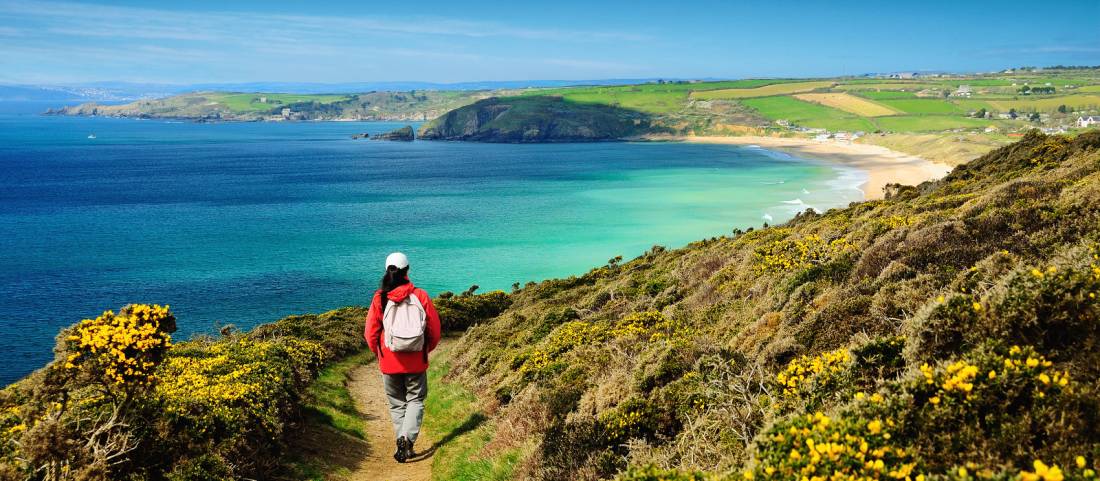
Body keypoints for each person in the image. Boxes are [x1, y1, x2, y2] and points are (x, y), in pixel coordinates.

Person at [364, 252, 442, 463]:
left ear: (386, 270)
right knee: (415, 400)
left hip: (389, 361)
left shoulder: (380, 297)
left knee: (397, 404)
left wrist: (379, 353)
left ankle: (403, 440)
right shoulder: (421, 295)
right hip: (416, 360)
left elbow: (370, 332)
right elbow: (435, 331)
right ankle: (407, 440)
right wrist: (425, 350)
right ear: (408, 270)